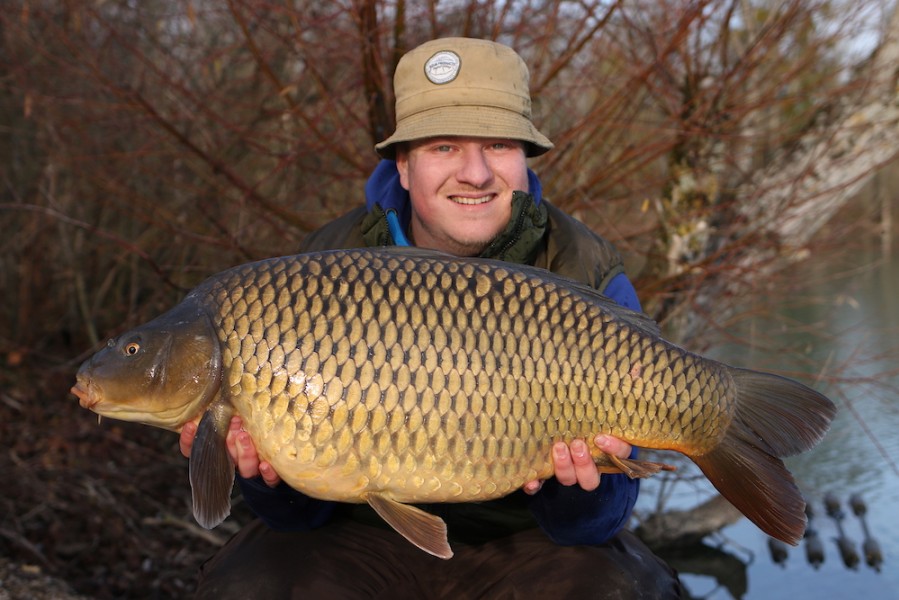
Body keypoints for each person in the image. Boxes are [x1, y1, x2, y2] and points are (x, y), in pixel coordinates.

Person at [181, 37, 684, 598]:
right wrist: (269, 477)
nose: (475, 173)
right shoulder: (318, 269)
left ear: (525, 158)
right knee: (253, 585)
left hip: (529, 544)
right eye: (444, 147)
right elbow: (296, 521)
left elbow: (593, 527)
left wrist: (579, 490)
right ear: (402, 164)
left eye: (497, 144)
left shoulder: (586, 273)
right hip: (357, 536)